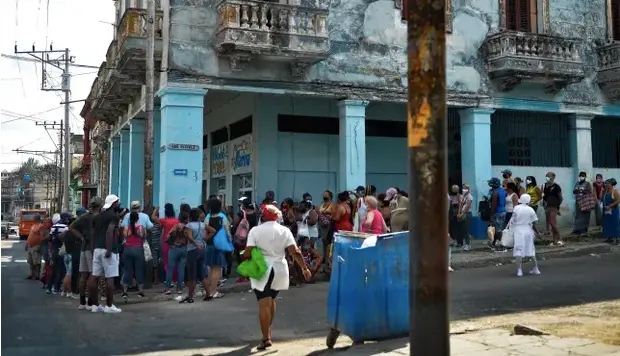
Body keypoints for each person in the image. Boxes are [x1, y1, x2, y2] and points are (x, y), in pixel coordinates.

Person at [243, 204, 311, 350]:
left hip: (262, 269)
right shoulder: (284, 230)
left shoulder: (255, 231)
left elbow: (247, 252)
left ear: (263, 216)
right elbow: (295, 251)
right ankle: (268, 330)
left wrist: (247, 256)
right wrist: (304, 268)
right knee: (271, 300)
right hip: (279, 269)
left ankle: (266, 338)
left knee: (263, 303)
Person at [89, 194, 122, 313]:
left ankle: (95, 305)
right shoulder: (114, 216)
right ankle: (109, 305)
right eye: (117, 202)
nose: (119, 204)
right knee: (110, 277)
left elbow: (92, 234)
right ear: (114, 203)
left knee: (94, 276)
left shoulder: (96, 217)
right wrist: (109, 249)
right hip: (109, 249)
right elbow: (109, 232)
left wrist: (92, 249)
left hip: (97, 249)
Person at [71, 197, 103, 310]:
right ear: (99, 206)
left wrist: (81, 238)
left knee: (83, 275)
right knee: (92, 275)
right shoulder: (98, 217)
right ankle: (91, 302)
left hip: (84, 248)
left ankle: (82, 302)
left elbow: (71, 227)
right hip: (92, 248)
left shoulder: (84, 217)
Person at [507, 194, 541, 277]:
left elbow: (513, 220)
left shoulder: (517, 208)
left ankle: (519, 270)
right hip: (528, 231)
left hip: (519, 231)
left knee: (519, 249)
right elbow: (534, 222)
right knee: (531, 249)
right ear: (528, 201)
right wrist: (538, 232)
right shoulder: (531, 209)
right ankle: (536, 268)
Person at [204, 198, 231, 300]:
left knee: (210, 269)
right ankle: (214, 291)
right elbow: (227, 232)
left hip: (209, 245)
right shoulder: (223, 217)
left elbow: (205, 230)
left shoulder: (207, 217)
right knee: (217, 270)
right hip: (219, 246)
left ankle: (210, 290)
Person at [121, 212, 147, 299]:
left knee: (127, 270)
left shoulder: (126, 228)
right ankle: (140, 291)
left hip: (127, 250)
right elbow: (144, 237)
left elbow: (124, 237)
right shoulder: (141, 228)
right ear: (137, 219)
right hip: (138, 250)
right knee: (139, 270)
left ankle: (125, 291)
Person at [46, 212, 71, 294]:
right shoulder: (66, 227)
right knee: (61, 269)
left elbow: (49, 237)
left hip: (54, 250)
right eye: (68, 218)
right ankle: (56, 288)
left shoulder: (54, 226)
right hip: (62, 250)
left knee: (54, 269)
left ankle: (49, 288)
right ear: (66, 218)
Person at [543, 172, 563, 246]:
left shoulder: (557, 186)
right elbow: (545, 196)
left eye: (548, 176)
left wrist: (557, 206)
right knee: (552, 223)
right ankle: (554, 240)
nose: (547, 177)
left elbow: (560, 198)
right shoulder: (546, 185)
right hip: (548, 206)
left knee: (552, 222)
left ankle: (560, 238)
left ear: (553, 177)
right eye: (546, 176)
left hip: (554, 206)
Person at [487, 177, 507, 251]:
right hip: (503, 211)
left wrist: (491, 215)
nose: (489, 184)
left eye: (491, 183)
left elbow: (493, 205)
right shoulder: (502, 191)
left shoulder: (495, 193)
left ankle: (502, 246)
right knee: (497, 229)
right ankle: (494, 243)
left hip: (497, 212)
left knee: (498, 230)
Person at [25, 214, 45, 280]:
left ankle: (37, 275)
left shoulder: (41, 226)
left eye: (33, 218)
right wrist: (27, 244)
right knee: (31, 262)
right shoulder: (33, 225)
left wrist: (40, 246)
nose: (32, 219)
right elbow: (30, 235)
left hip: (36, 246)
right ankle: (31, 274)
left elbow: (42, 237)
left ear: (36, 219)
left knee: (37, 262)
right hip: (30, 246)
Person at [602, 178, 620, 244]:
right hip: (606, 211)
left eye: (607, 183)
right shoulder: (605, 192)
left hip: (613, 211)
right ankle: (609, 238)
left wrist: (610, 206)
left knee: (615, 224)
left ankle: (617, 238)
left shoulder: (614, 192)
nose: (606, 185)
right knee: (607, 224)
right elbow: (601, 198)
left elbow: (618, 200)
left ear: (611, 185)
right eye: (605, 183)